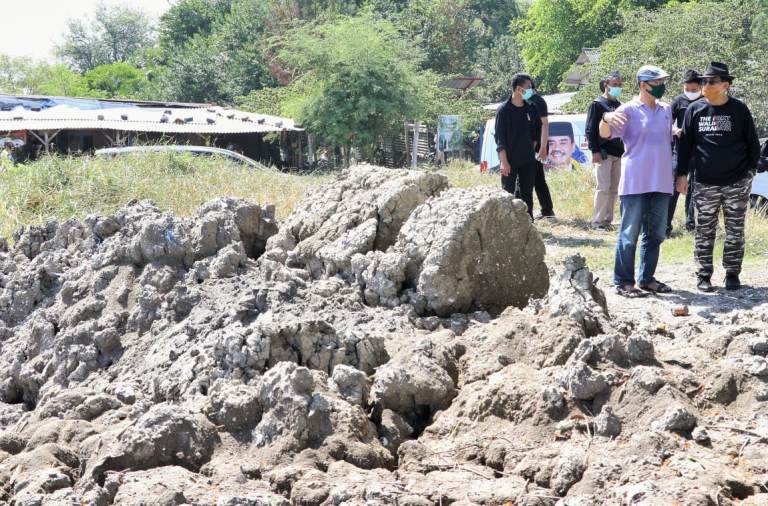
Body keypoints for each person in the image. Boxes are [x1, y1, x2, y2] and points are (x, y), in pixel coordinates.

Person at [675, 62, 761, 292]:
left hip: (736, 182)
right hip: (704, 182)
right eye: (704, 80)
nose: (705, 84)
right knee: (704, 231)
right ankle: (703, 275)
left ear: (725, 85)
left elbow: (753, 144)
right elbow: (685, 146)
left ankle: (732, 274)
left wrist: (749, 173)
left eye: (711, 81)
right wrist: (681, 174)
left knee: (735, 231)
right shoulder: (695, 110)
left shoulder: (739, 110)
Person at [600, 65, 677, 298]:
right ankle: (624, 281)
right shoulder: (629, 110)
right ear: (643, 85)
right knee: (629, 234)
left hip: (662, 180)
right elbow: (604, 133)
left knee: (656, 233)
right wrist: (606, 117)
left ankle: (647, 279)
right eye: (657, 82)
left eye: (663, 81)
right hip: (635, 181)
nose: (661, 86)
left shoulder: (666, 110)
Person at [494, 72, 542, 218]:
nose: (531, 90)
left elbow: (536, 134)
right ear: (518, 89)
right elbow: (500, 139)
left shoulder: (531, 108)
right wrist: (504, 162)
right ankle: (507, 223)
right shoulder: (503, 110)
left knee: (527, 193)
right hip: (509, 159)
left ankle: (528, 224)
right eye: (528, 87)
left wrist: (530, 150)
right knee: (507, 193)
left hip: (528, 159)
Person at [586, 71, 625, 231]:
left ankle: (607, 221)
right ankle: (597, 222)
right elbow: (590, 130)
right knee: (603, 187)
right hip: (603, 153)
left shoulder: (621, 106)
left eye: (620, 85)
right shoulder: (597, 104)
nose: (618, 87)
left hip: (619, 153)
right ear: (606, 85)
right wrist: (594, 150)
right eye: (615, 85)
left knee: (614, 189)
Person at [666, 69, 703, 237]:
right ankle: (665, 226)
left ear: (701, 87)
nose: (691, 92)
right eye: (688, 89)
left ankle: (692, 224)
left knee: (696, 189)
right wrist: (674, 130)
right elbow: (665, 122)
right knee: (673, 190)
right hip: (679, 151)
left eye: (694, 89)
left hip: (700, 152)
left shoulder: (706, 101)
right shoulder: (678, 101)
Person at [521, 81, 556, 219]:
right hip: (529, 145)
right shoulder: (525, 100)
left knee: (530, 179)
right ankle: (547, 210)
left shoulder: (537, 101)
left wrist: (542, 147)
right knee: (538, 178)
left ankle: (540, 210)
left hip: (537, 146)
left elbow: (544, 126)